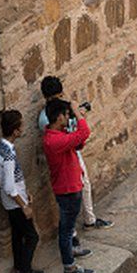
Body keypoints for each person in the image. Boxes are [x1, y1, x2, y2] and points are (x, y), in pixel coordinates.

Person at [38, 76, 113, 232]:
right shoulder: (46, 117)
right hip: (63, 157)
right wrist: (78, 119)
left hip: (73, 151)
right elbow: (69, 134)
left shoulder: (62, 110)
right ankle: (71, 235)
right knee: (67, 202)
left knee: (85, 185)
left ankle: (89, 220)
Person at [0, 110, 47, 273]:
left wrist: (26, 194)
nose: (23, 128)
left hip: (12, 201)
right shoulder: (8, 154)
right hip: (15, 203)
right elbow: (9, 186)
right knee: (32, 236)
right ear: (15, 131)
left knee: (18, 236)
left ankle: (21, 268)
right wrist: (24, 205)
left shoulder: (0, 148)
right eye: (21, 125)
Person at [43, 98, 95, 273]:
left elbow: (78, 143)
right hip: (67, 189)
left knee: (69, 226)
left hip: (70, 186)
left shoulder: (58, 135)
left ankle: (71, 252)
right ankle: (69, 265)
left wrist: (75, 121)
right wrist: (79, 115)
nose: (68, 117)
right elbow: (84, 133)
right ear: (58, 117)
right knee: (66, 230)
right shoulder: (53, 141)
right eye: (66, 114)